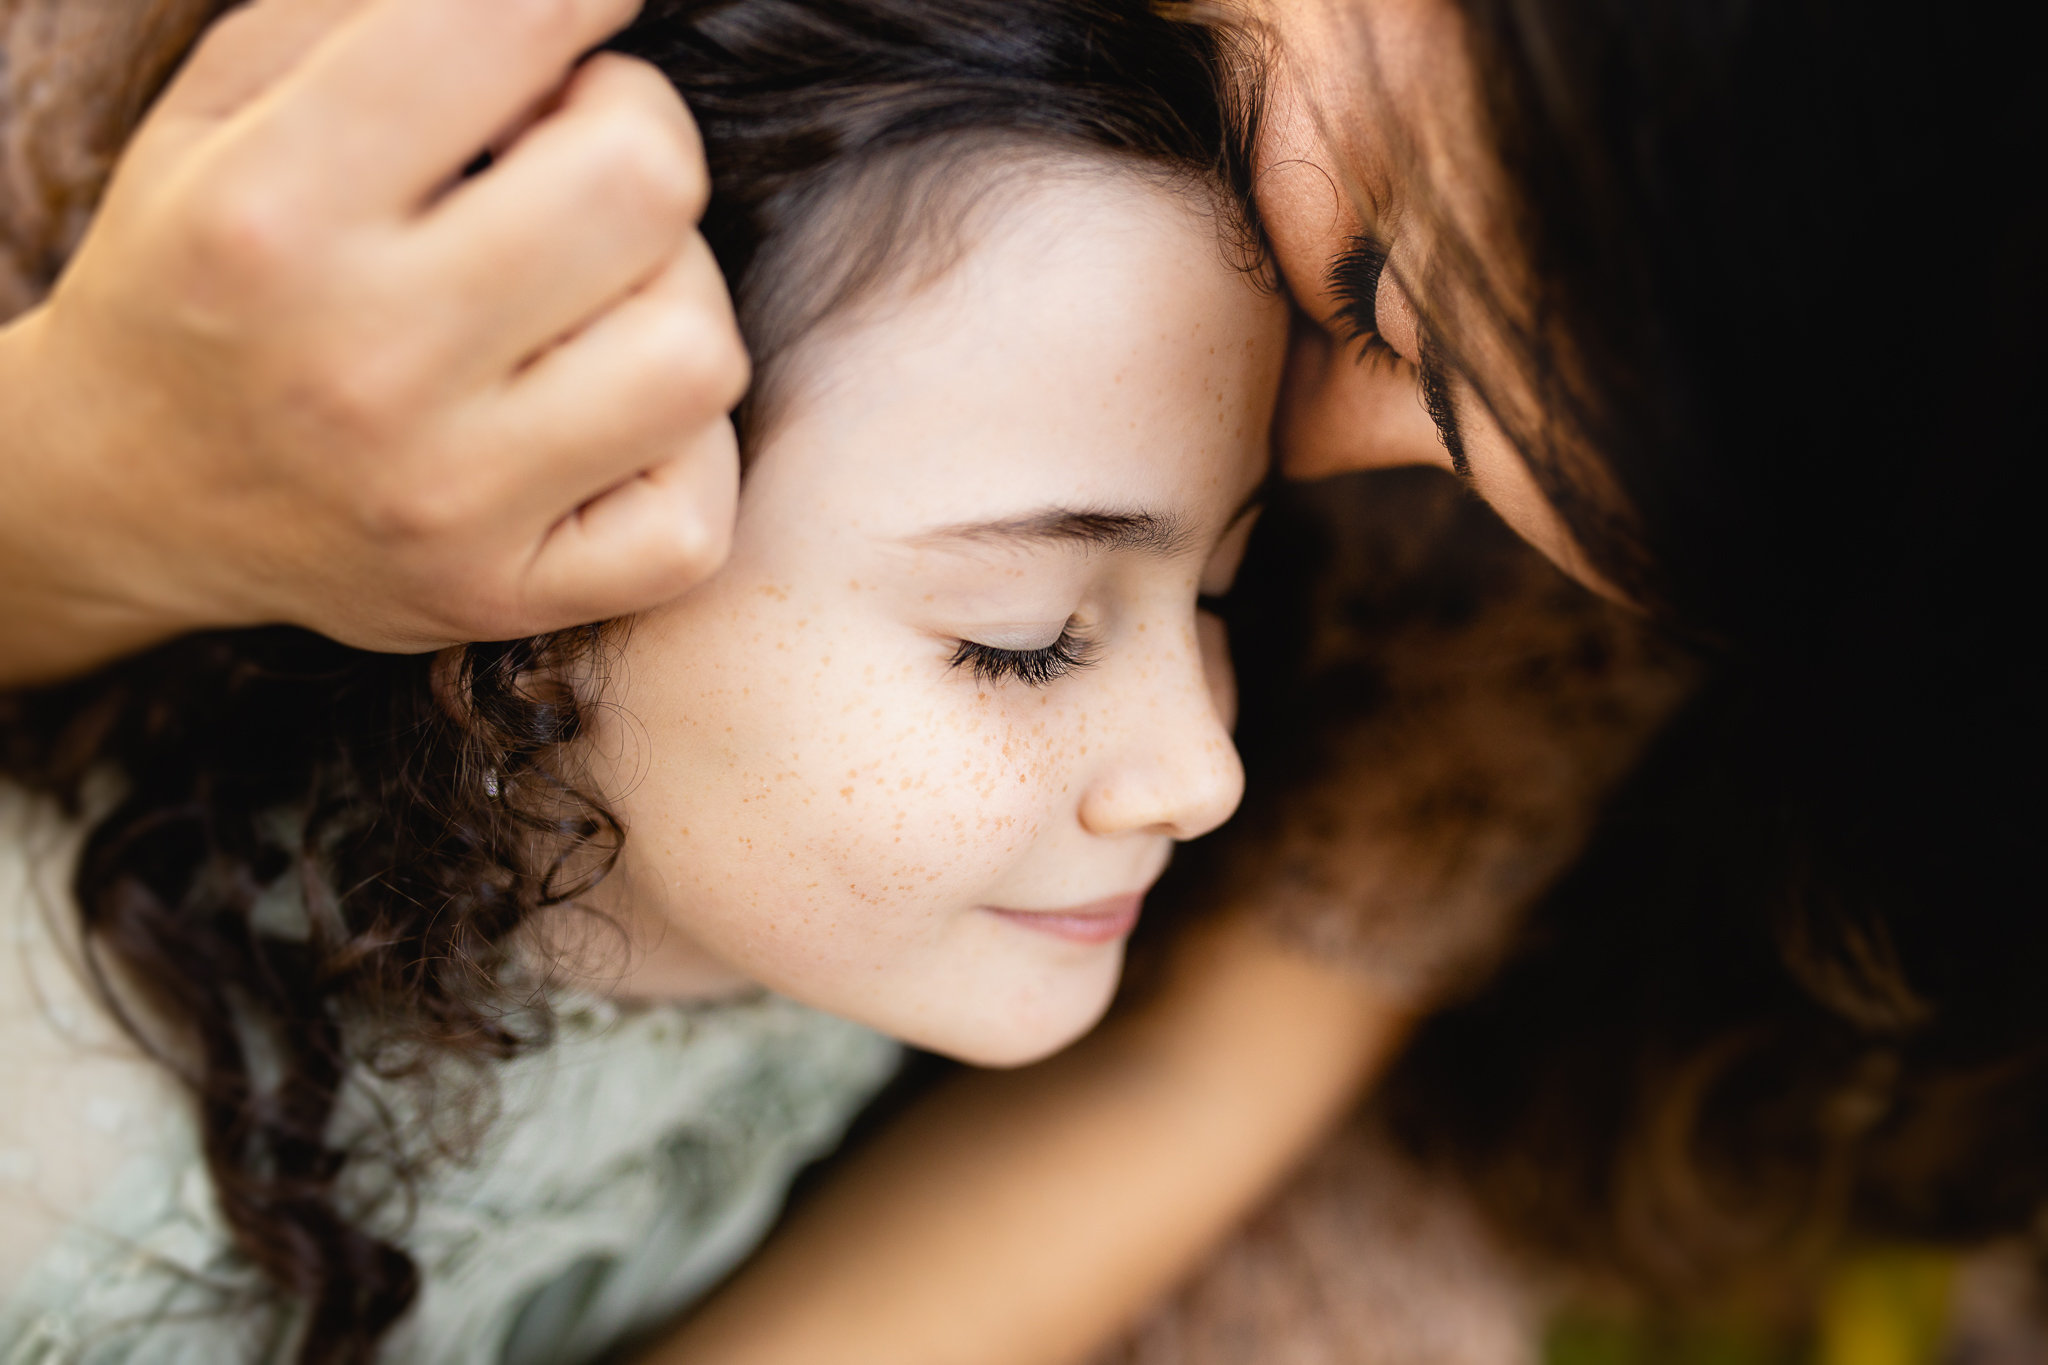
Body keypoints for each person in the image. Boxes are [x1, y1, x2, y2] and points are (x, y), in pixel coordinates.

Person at [0, 2, 1297, 1358]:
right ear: (534, 554)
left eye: (1214, 588)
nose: (1204, 772)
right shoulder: (65, 1138)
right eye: (1023, 636)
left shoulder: (827, 952)